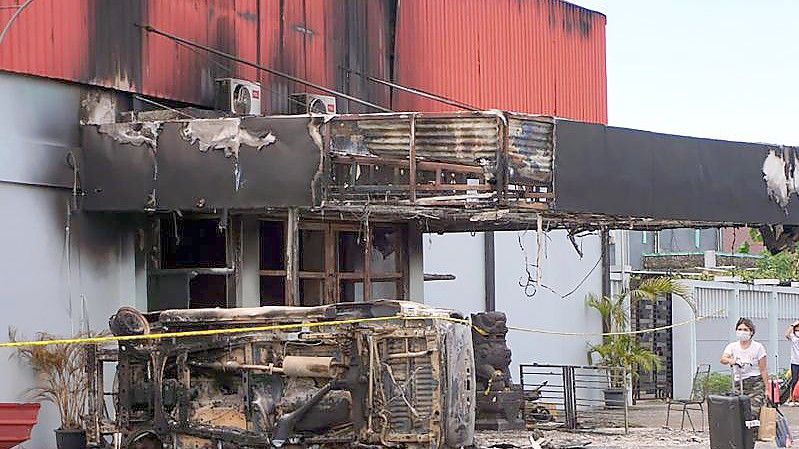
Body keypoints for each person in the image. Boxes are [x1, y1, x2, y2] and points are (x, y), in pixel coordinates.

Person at [720, 317, 769, 419]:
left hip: (755, 383)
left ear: (751, 332)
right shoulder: (732, 346)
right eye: (740, 329)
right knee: (737, 411)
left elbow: (763, 369)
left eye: (745, 330)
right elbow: (723, 359)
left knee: (753, 411)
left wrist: (767, 389)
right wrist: (731, 360)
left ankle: (753, 432)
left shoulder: (758, 347)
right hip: (739, 382)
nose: (742, 332)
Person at [785, 320, 799, 405]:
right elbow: (786, 334)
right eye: (797, 329)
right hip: (795, 362)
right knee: (794, 380)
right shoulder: (793, 338)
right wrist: (792, 325)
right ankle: (792, 398)